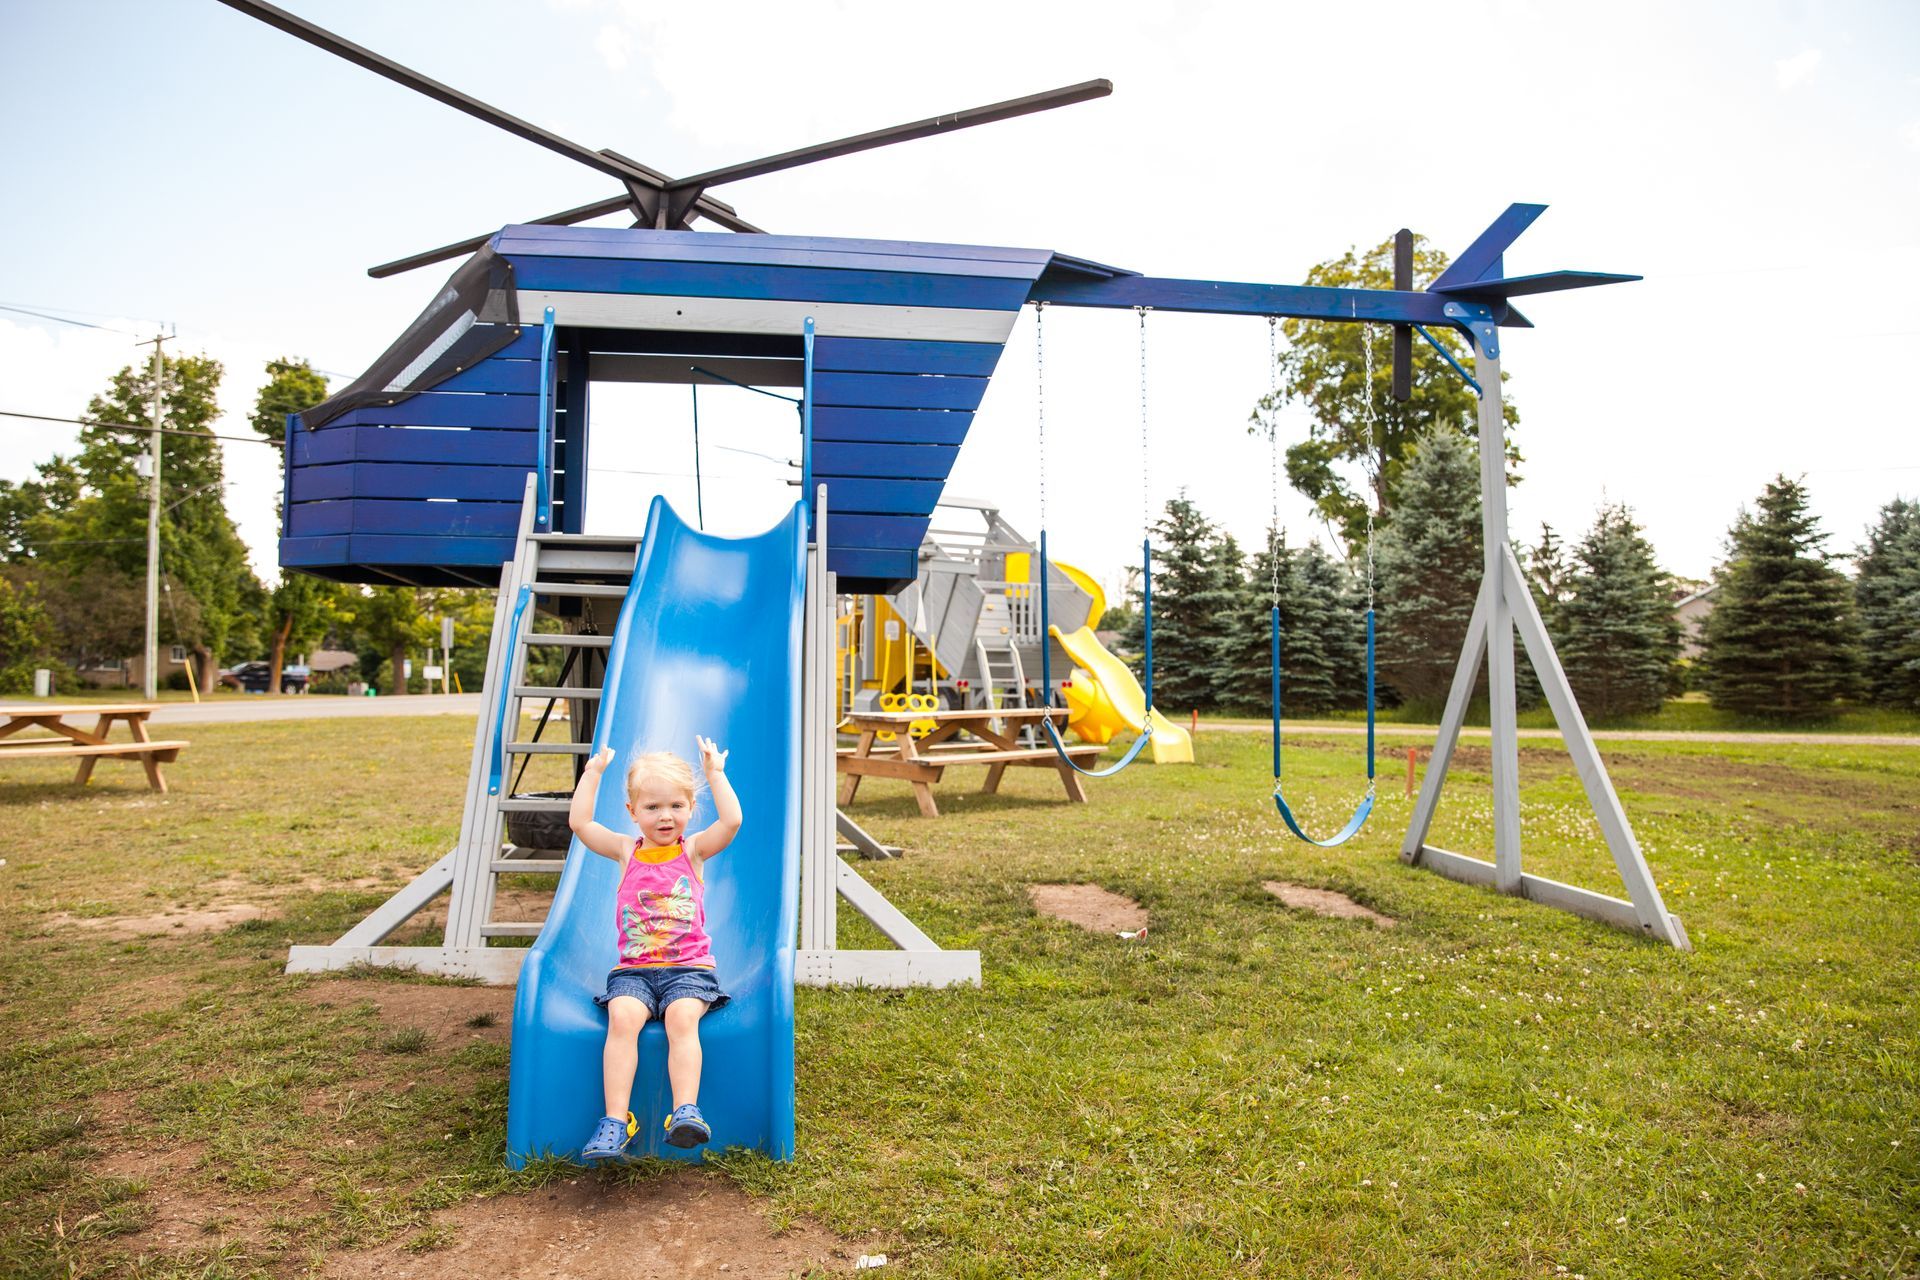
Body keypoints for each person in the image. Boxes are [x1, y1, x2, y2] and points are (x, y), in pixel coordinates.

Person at [568, 735, 740, 1159]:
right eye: (652, 808)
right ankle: (614, 1121)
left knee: (683, 1019)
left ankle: (684, 1111)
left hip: (690, 970)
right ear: (632, 812)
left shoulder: (693, 850)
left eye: (676, 807)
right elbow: (581, 824)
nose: (666, 817)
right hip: (634, 972)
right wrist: (591, 774)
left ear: (690, 809)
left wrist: (715, 775)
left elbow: (732, 822)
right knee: (622, 1018)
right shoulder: (627, 851)